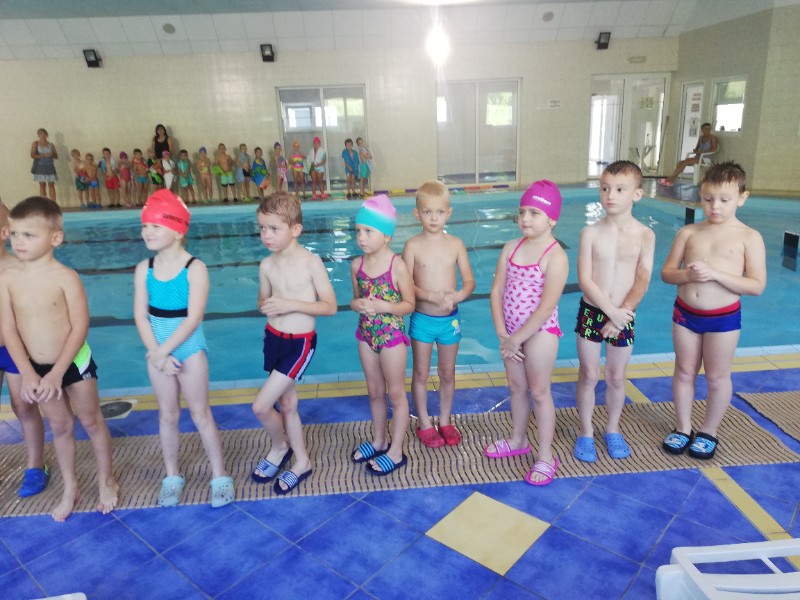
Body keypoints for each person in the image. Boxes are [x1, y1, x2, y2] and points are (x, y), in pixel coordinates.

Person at [0, 197, 119, 521]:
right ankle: (71, 487)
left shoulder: (66, 277)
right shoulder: (8, 280)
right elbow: (8, 330)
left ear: (55, 238)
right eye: (16, 234)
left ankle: (106, 479)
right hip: (37, 368)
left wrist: (57, 373)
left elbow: (80, 327)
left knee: (91, 420)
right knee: (61, 426)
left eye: (29, 235)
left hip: (73, 362)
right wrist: (28, 373)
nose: (19, 241)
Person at [133, 190, 235, 507]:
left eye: (155, 226)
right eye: (145, 225)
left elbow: (194, 318)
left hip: (188, 349)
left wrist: (163, 352)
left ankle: (219, 475)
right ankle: (172, 475)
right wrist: (156, 353)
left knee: (201, 414)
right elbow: (140, 316)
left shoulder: (195, 268)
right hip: (157, 352)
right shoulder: (144, 269)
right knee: (167, 416)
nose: (147, 232)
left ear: (178, 231)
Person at [661, 162, 766, 459]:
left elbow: (756, 285)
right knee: (684, 371)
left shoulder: (749, 237)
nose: (715, 206)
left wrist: (715, 274)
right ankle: (683, 428)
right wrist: (687, 275)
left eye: (724, 200)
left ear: (742, 198)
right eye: (708, 199)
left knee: (717, 377)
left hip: (723, 319)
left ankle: (709, 431)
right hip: (685, 314)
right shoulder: (688, 232)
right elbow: (667, 273)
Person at [249, 192, 337, 494]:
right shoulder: (266, 265)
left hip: (299, 345)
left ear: (295, 229)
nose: (266, 235)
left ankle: (279, 447)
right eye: (262, 228)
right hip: (273, 339)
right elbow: (262, 300)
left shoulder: (311, 263)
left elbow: (330, 306)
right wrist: (268, 305)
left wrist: (290, 304)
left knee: (261, 407)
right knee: (287, 404)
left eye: (274, 229)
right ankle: (300, 461)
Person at [486, 180, 568, 486]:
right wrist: (502, 333)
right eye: (522, 212)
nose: (525, 218)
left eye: (534, 213)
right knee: (516, 387)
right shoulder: (511, 248)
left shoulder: (555, 256)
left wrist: (515, 339)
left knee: (539, 392)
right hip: (509, 334)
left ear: (552, 219)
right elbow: (496, 292)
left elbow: (546, 308)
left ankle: (545, 455)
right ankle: (518, 439)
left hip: (540, 333)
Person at [573, 161, 655, 462]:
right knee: (589, 374)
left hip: (624, 315)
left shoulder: (645, 235)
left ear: (637, 194)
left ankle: (612, 429)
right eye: (605, 188)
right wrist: (610, 312)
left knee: (617, 377)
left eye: (620, 189)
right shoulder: (590, 232)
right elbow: (585, 279)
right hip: (593, 312)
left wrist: (622, 314)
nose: (610, 195)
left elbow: (643, 278)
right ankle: (585, 431)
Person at [402, 181, 475, 448]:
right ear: (417, 214)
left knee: (447, 373)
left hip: (449, 320)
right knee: (421, 374)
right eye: (427, 212)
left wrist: (459, 295)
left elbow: (469, 281)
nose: (434, 218)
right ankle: (423, 422)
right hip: (422, 320)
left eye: (439, 212)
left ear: (449, 213)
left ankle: (444, 421)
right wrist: (431, 296)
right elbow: (404, 285)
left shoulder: (456, 244)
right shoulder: (412, 246)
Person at [349, 195, 414, 475]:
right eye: (358, 231)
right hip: (366, 335)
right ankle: (379, 440)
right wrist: (359, 305)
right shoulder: (357, 265)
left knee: (396, 393)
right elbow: (354, 300)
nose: (361, 237)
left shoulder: (397, 266)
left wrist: (385, 306)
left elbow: (409, 305)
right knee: (375, 391)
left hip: (392, 338)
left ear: (386, 236)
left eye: (368, 231)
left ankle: (396, 451)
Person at [0, 200, 49, 498]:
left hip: (16, 348)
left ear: (4, 232)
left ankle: (35, 465)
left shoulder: (18, 268)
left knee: (24, 406)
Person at [30, 128, 58, 204]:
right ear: (38, 135)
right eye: (40, 134)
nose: (42, 135)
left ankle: (53, 203)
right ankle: (44, 204)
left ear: (46, 135)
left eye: (43, 134)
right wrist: (43, 155)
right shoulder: (35, 143)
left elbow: (56, 156)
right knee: (42, 185)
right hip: (40, 166)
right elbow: (32, 155)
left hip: (50, 166)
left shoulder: (51, 144)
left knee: (51, 185)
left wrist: (52, 154)